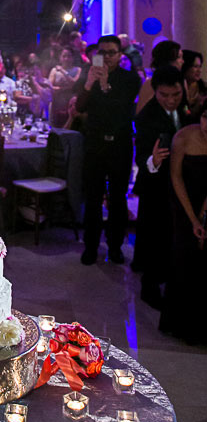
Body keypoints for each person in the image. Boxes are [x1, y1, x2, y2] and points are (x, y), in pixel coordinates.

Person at [75, 34, 141, 265]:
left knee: (117, 198)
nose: (106, 57)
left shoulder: (130, 79)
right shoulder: (89, 75)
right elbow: (79, 107)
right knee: (92, 197)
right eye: (101, 52)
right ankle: (90, 247)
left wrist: (103, 86)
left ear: (120, 55)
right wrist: (89, 84)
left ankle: (115, 247)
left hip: (119, 145)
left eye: (111, 52)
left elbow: (122, 109)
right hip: (94, 144)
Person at [132, 66, 186, 308]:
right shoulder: (146, 117)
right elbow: (140, 156)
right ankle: (150, 290)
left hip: (178, 186)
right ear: (155, 92)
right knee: (154, 238)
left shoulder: (186, 113)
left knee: (169, 237)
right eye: (165, 95)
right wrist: (153, 160)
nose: (171, 100)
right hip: (154, 184)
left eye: (176, 94)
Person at [159, 100, 207, 345]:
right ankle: (178, 325)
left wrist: (203, 215)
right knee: (183, 258)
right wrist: (192, 218)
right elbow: (175, 177)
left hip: (204, 204)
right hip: (182, 200)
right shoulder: (184, 137)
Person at [136, 40, 183, 113]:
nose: (182, 61)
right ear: (168, 60)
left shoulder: (181, 82)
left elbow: (185, 108)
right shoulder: (150, 84)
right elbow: (140, 114)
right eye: (179, 57)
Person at [181, 49, 207, 120]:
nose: (199, 70)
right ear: (185, 67)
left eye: (200, 66)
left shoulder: (203, 88)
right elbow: (185, 111)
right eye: (195, 66)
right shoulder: (178, 88)